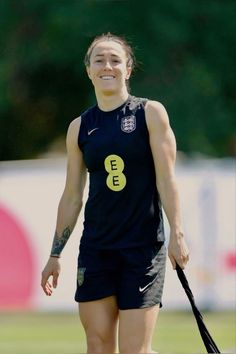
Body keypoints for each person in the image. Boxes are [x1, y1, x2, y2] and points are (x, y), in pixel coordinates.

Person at [41, 32, 189, 354]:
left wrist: (177, 233)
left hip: (143, 248)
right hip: (97, 248)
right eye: (99, 60)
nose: (107, 66)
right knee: (98, 346)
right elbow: (72, 195)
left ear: (128, 69)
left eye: (115, 60)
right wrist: (55, 254)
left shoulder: (150, 114)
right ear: (89, 71)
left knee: (135, 350)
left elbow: (167, 179)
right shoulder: (79, 128)